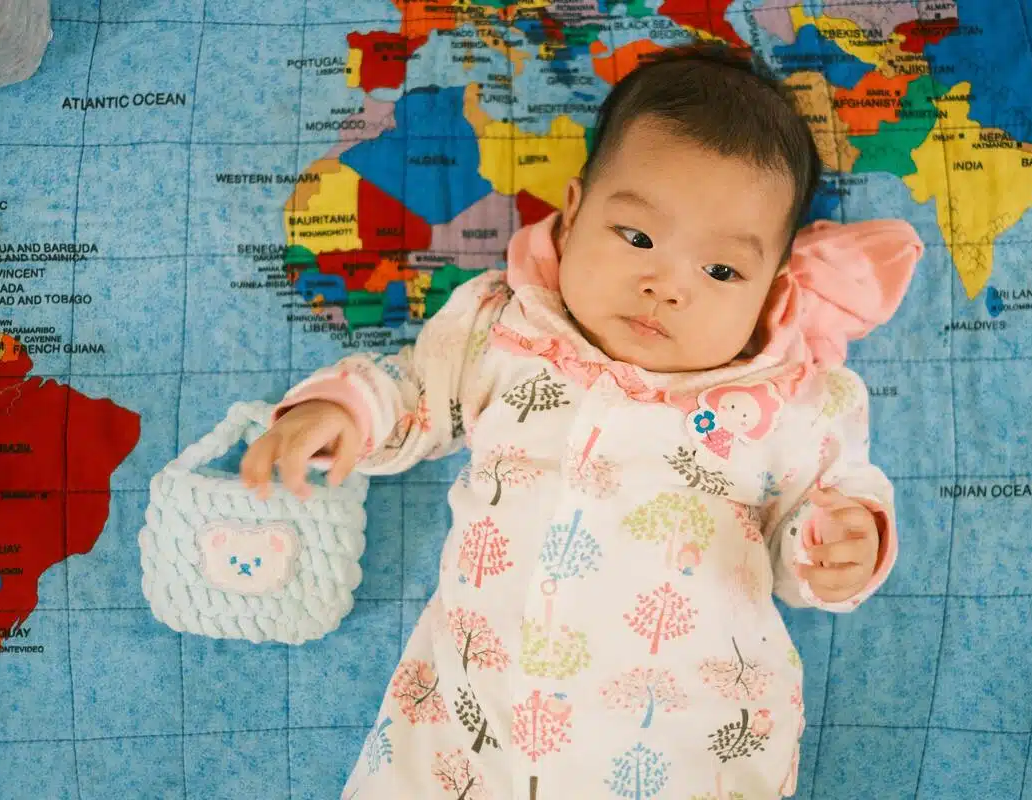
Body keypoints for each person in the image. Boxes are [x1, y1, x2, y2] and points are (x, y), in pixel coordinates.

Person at [242, 43, 922, 799]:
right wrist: (340, 410)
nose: (665, 286)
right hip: (469, 735)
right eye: (637, 238)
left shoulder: (789, 398)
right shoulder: (505, 330)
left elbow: (820, 510)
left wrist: (839, 542)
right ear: (571, 215)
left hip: (688, 742)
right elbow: (414, 394)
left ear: (771, 288)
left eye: (721, 271)